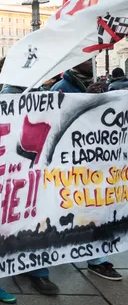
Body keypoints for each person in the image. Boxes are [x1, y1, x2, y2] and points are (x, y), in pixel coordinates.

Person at [51, 59, 122, 282]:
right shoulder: (61, 88)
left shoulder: (95, 85)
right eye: (86, 59)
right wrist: (83, 100)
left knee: (99, 209)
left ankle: (98, 260)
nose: (91, 63)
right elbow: (56, 121)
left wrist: (98, 98)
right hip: (71, 163)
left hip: (95, 160)